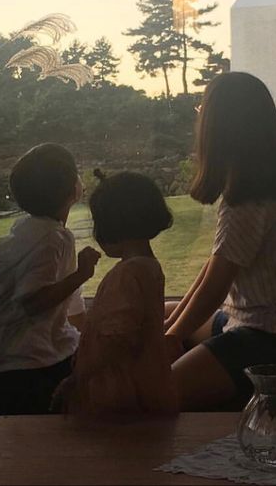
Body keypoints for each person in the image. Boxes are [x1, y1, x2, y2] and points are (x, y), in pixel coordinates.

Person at [165, 72, 276, 410]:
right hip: (255, 322)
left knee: (160, 392)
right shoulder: (262, 183)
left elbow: (216, 287)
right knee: (165, 313)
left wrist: (171, 338)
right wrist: (170, 326)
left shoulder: (251, 197)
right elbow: (216, 266)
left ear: (220, 127)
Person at [0, 143, 101, 414]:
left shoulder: (29, 230)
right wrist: (82, 274)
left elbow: (71, 307)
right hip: (30, 365)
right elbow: (33, 301)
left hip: (15, 359)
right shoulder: (52, 238)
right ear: (72, 189)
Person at [62, 170, 178, 416]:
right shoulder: (150, 266)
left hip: (122, 395)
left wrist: (78, 377)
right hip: (151, 386)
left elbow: (116, 338)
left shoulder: (127, 274)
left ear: (109, 225)